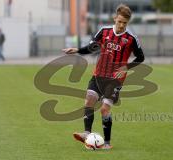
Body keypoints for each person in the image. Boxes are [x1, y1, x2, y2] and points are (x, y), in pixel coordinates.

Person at [62, 4, 144, 149]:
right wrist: (77, 50)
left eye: (124, 23)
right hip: (98, 74)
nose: (121, 25)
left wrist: (126, 67)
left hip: (115, 79)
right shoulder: (104, 31)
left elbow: (141, 57)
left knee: (104, 110)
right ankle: (87, 133)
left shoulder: (131, 38)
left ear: (128, 22)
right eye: (119, 22)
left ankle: (107, 143)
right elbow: (92, 47)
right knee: (89, 101)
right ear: (115, 18)